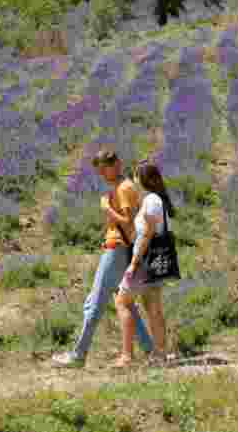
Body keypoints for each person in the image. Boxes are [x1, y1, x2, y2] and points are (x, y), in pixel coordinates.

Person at [51, 149, 155, 368]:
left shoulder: (124, 188)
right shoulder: (121, 187)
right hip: (121, 250)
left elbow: (127, 222)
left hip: (116, 250)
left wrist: (107, 208)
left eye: (102, 170)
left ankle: (78, 356)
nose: (101, 175)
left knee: (94, 303)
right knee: (127, 304)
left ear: (114, 165)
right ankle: (150, 351)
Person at [114, 159, 174, 367]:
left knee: (122, 301)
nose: (133, 179)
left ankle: (127, 356)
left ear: (142, 179)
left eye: (135, 175)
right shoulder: (159, 200)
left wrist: (133, 262)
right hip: (158, 261)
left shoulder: (150, 201)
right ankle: (160, 354)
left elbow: (147, 234)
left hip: (144, 261)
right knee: (153, 307)